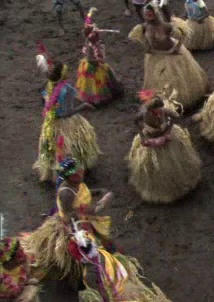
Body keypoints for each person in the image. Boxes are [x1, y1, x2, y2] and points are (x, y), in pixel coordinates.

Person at [23, 157, 113, 282]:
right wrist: (98, 207)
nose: (81, 174)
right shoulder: (66, 193)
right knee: (76, 257)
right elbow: (69, 217)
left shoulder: (76, 184)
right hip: (72, 227)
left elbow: (83, 192)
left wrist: (98, 193)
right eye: (77, 173)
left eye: (81, 171)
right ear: (70, 177)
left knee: (102, 242)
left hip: (84, 220)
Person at [34, 45, 99, 183]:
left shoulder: (47, 87)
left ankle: (53, 172)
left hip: (51, 124)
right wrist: (83, 106)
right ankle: (72, 173)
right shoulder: (67, 89)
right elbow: (68, 112)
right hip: (67, 124)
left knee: (52, 148)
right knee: (71, 149)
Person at [128, 2, 208, 109]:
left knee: (176, 79)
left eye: (150, 14)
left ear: (156, 14)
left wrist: (177, 47)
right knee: (158, 79)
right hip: (155, 57)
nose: (148, 16)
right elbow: (143, 39)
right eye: (146, 14)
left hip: (172, 55)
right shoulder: (143, 27)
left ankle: (179, 101)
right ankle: (162, 102)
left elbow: (182, 33)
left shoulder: (165, 26)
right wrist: (147, 47)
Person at [127, 91, 201, 204]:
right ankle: (157, 190)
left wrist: (168, 130)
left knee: (175, 164)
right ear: (151, 109)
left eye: (160, 108)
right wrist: (142, 136)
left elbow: (176, 117)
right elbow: (136, 122)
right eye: (156, 109)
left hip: (167, 141)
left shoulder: (165, 112)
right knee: (152, 168)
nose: (159, 110)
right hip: (150, 142)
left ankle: (177, 187)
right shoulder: (143, 115)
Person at [76, 8, 122, 106]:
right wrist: (99, 61)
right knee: (97, 84)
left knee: (97, 82)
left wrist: (89, 15)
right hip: (94, 66)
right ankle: (98, 99)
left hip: (92, 64)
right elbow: (95, 57)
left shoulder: (90, 41)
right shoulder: (92, 45)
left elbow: (87, 24)